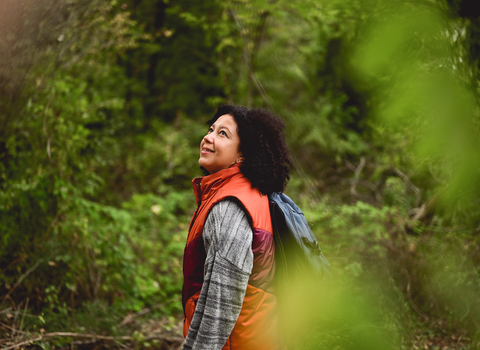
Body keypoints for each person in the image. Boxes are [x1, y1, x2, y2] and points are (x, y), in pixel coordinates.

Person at [181, 105, 292, 350]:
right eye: (211, 129)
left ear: (242, 155)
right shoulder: (245, 193)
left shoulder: (230, 207)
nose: (208, 137)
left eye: (223, 134)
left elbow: (221, 304)